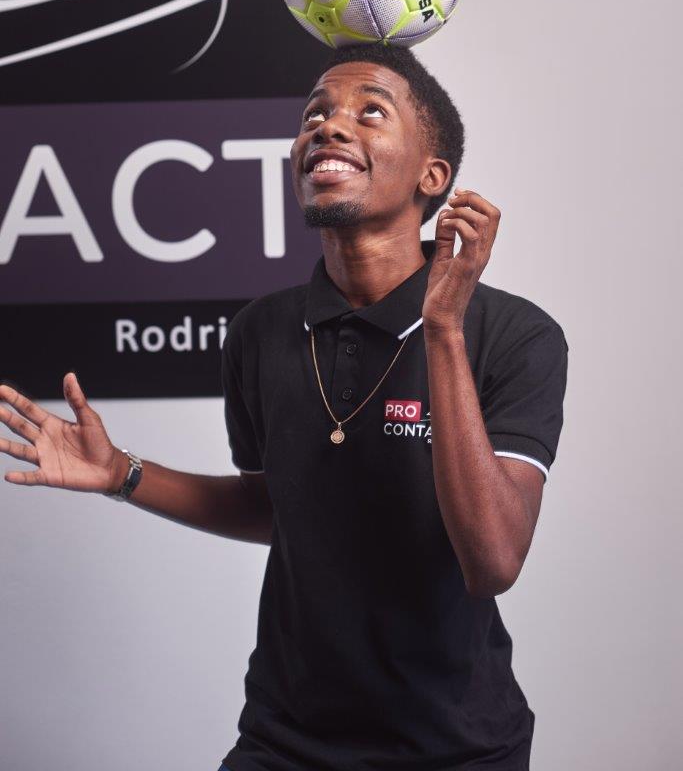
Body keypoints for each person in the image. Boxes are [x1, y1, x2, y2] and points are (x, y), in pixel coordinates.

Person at [0, 42, 569, 771]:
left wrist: (443, 330)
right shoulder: (259, 332)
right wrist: (123, 475)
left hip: (457, 747)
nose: (328, 126)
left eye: (370, 111)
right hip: (286, 740)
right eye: (314, 115)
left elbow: (492, 561)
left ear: (433, 176)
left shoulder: (516, 335)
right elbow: (278, 507)